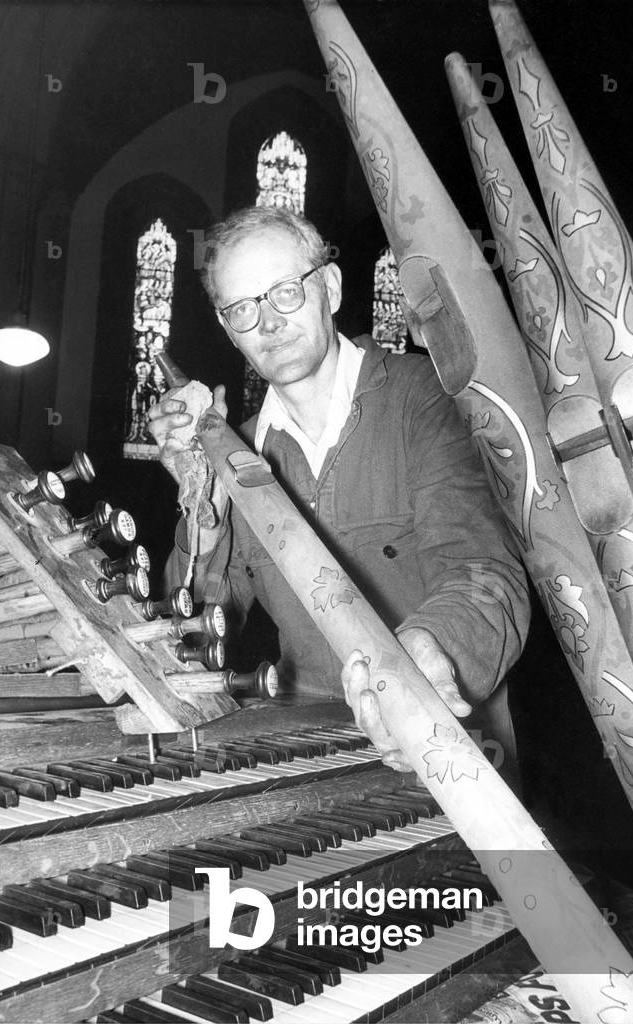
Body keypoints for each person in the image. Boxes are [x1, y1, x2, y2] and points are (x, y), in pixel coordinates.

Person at [149, 205, 530, 781]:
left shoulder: (427, 397)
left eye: (284, 292)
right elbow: (189, 634)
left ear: (329, 286)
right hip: (309, 769)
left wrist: (430, 653)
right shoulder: (238, 451)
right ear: (228, 328)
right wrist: (200, 495)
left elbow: (485, 575)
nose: (269, 323)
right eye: (243, 309)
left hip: (451, 759)